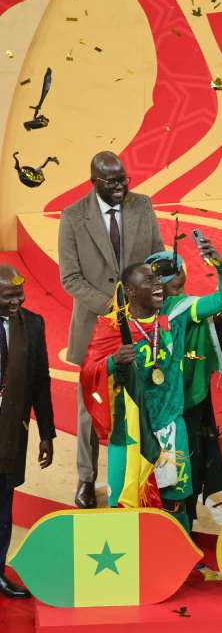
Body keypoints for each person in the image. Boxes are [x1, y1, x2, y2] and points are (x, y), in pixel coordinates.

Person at [88, 235, 222, 531]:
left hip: (170, 428)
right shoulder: (112, 327)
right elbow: (89, 372)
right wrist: (112, 362)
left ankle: (176, 567)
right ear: (129, 290)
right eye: (149, 281)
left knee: (176, 501)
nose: (158, 285)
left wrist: (219, 264)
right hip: (129, 433)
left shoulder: (176, 317)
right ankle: (131, 568)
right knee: (125, 502)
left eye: (158, 280)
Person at [58, 151, 164, 508]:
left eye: (124, 179)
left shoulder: (143, 206)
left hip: (141, 324)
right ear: (94, 182)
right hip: (95, 325)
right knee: (91, 405)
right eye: (112, 182)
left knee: (144, 395)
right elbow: (70, 278)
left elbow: (156, 258)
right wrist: (113, 308)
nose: (121, 187)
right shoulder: (73, 217)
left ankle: (147, 472)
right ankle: (86, 478)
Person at [152, 250, 222, 537]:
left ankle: (182, 536)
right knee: (163, 474)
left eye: (175, 271)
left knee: (188, 470)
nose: (171, 278)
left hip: (187, 404)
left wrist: (221, 265)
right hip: (157, 408)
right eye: (162, 274)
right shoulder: (143, 314)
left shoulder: (187, 307)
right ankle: (165, 536)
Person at [0, 267, 55, 599]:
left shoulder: (33, 325)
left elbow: (40, 381)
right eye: (9, 296)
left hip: (10, 436)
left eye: (20, 294)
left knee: (3, 505)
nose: (17, 300)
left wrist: (47, 431)